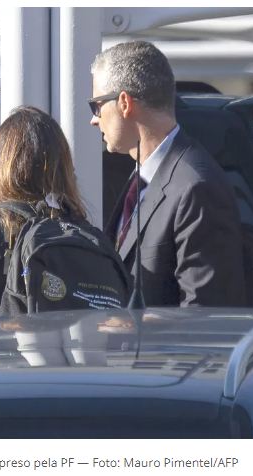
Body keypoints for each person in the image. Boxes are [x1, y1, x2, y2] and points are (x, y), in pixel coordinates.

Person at [89, 40, 245, 307]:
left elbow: (204, 314)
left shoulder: (196, 187)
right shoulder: (143, 176)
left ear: (124, 103)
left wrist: (134, 325)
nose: (94, 119)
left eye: (97, 106)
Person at [0, 106, 124, 321]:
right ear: (63, 165)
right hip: (80, 344)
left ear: (1, 164)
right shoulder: (88, 234)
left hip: (11, 344)